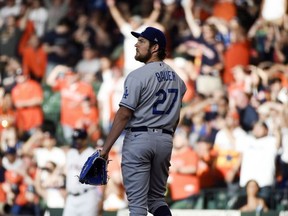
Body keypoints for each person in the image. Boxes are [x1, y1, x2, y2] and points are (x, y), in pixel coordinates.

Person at [100, 27, 187, 216]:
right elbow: (177, 115)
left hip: (140, 138)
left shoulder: (137, 76)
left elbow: (123, 114)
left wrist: (106, 149)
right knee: (156, 200)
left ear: (155, 47)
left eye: (142, 42)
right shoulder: (178, 79)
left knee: (138, 206)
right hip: (165, 139)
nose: (136, 45)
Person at [62, 128, 103, 216]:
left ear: (85, 139)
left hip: (88, 196)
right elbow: (68, 175)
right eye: (75, 139)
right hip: (71, 197)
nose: (77, 141)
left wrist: (101, 199)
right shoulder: (70, 153)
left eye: (80, 139)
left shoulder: (93, 154)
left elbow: (101, 178)